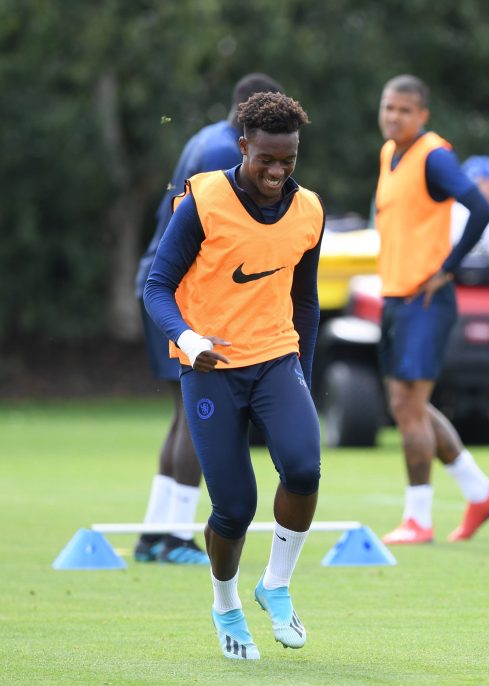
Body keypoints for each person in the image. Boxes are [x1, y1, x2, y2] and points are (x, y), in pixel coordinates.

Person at [143, 92, 324, 660]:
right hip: (210, 367)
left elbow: (307, 301)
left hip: (275, 359)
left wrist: (305, 376)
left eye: (287, 161)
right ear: (242, 145)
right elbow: (157, 286)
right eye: (265, 158)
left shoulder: (310, 210)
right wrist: (188, 339)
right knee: (235, 506)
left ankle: (275, 584)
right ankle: (225, 602)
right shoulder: (205, 199)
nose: (276, 172)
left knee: (303, 466)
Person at [133, 73, 283, 565]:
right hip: (178, 293)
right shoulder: (227, 155)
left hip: (158, 281)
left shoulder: (204, 137)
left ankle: (154, 535)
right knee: (202, 416)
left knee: (183, 414)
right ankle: (175, 538)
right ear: (249, 116)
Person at [375, 74, 489, 545]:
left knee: (409, 407)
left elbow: (480, 209)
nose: (393, 116)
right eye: (389, 107)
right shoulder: (390, 153)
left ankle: (418, 519)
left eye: (404, 110)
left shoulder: (433, 155)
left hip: (425, 300)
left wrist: (448, 267)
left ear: (422, 115)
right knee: (407, 405)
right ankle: (480, 492)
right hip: (395, 296)